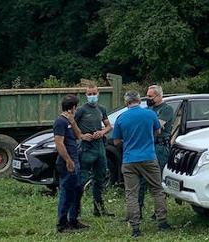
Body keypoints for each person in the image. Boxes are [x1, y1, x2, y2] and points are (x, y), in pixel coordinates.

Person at [111, 89, 169, 236]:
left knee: (131, 194)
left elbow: (116, 141)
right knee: (157, 190)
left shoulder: (121, 118)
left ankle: (135, 228)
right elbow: (157, 132)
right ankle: (162, 222)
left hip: (129, 160)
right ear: (139, 100)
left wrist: (128, 140)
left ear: (126, 102)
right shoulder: (150, 114)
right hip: (149, 157)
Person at [75, 82, 112, 217]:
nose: (92, 96)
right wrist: (81, 136)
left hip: (99, 146)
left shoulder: (101, 109)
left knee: (100, 178)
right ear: (86, 95)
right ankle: (76, 211)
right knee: (82, 179)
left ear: (98, 93)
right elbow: (71, 125)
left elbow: (109, 126)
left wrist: (102, 132)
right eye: (89, 94)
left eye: (94, 94)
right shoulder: (81, 110)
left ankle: (99, 209)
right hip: (86, 147)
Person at [53, 94, 89, 233]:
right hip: (67, 162)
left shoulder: (68, 121)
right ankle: (62, 224)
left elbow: (79, 135)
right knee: (67, 192)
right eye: (76, 106)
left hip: (75, 160)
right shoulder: (60, 122)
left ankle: (74, 220)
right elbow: (59, 143)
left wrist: (73, 122)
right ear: (73, 107)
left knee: (77, 190)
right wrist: (68, 160)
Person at [142, 84, 176, 218]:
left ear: (159, 96)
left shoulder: (166, 109)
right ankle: (137, 209)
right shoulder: (148, 109)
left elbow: (157, 127)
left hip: (160, 147)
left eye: (150, 96)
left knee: (158, 180)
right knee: (143, 179)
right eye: (147, 96)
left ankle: (159, 212)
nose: (148, 98)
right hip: (148, 145)